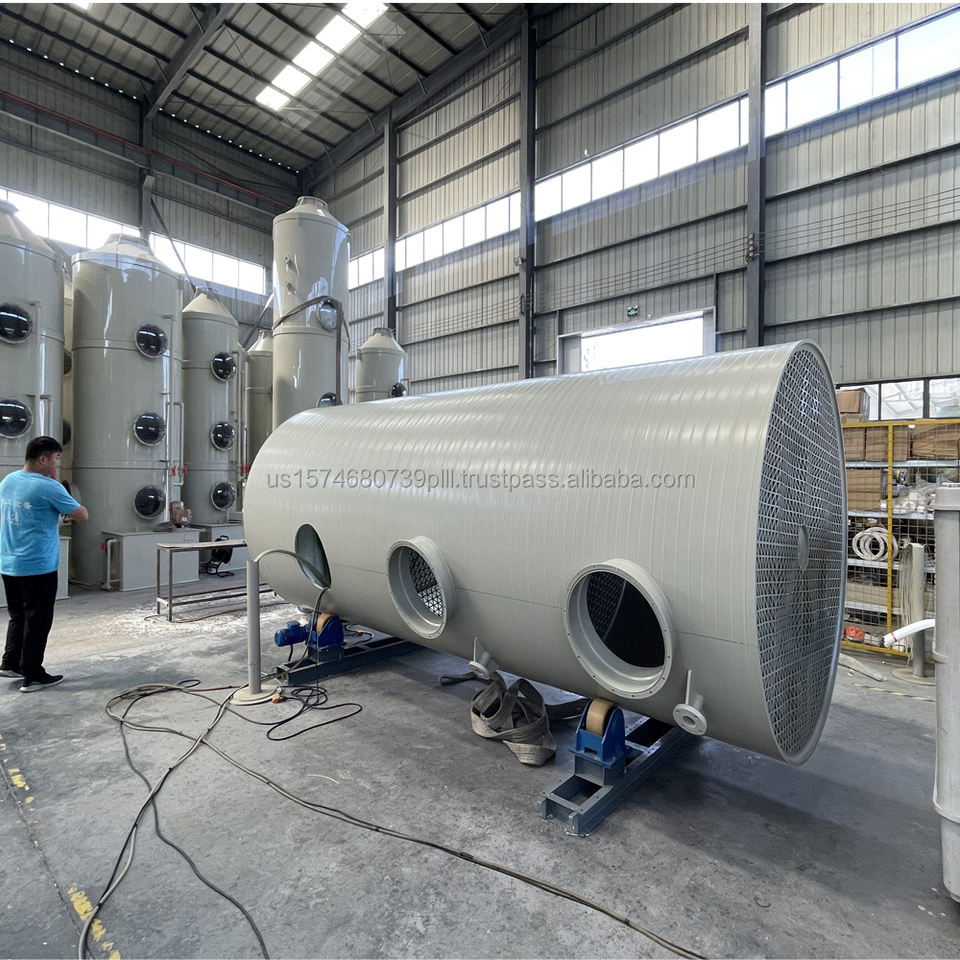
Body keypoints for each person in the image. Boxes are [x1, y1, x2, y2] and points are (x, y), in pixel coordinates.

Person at [0, 436, 87, 691]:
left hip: (9, 562)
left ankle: (10, 663)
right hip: (37, 565)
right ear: (42, 459)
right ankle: (33, 676)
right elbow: (82, 515)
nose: (56, 464)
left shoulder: (8, 481)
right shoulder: (49, 486)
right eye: (56, 458)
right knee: (38, 620)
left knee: (18, 616)